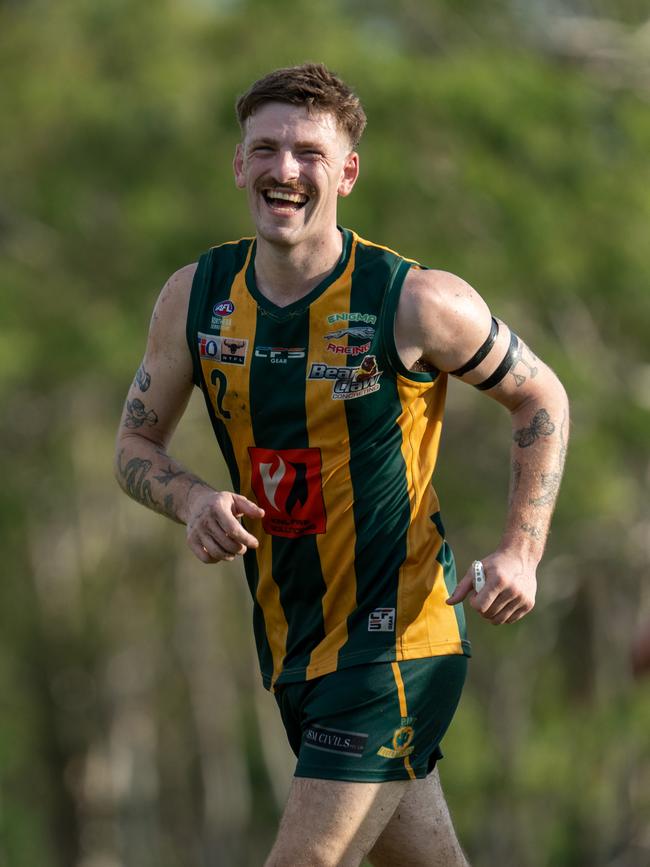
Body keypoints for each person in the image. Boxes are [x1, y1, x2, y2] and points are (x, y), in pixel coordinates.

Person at [114, 63, 569, 867]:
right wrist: (190, 500)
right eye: (266, 149)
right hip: (295, 647)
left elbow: (542, 399)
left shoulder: (416, 301)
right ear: (239, 165)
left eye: (309, 153)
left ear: (347, 172)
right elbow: (134, 446)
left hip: (400, 640)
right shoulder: (197, 298)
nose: (284, 170)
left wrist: (523, 552)